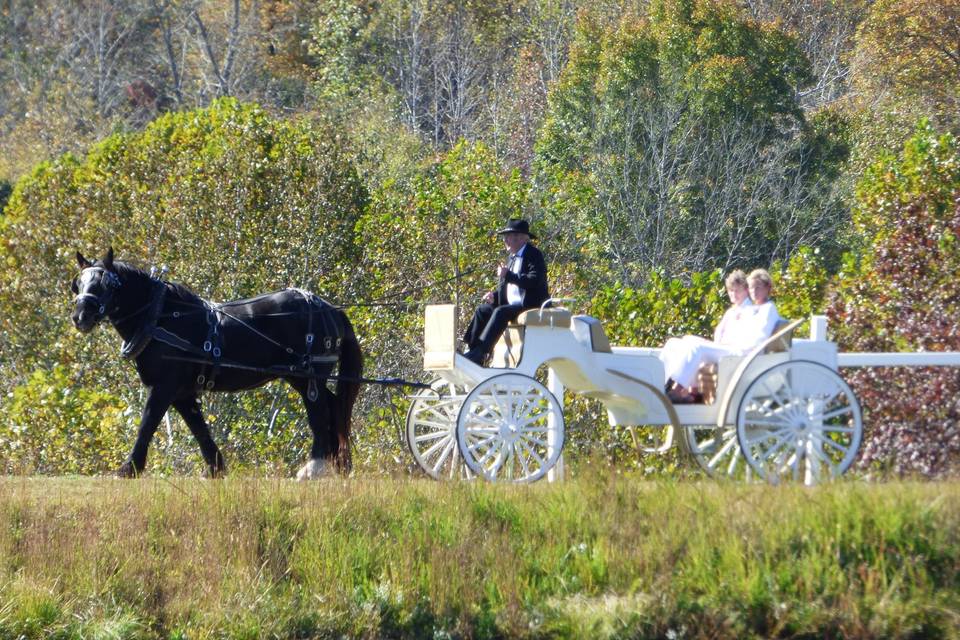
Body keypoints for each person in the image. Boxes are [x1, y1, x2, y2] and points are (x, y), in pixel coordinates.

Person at [660, 268, 780, 402]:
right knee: (676, 342)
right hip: (733, 348)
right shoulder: (755, 309)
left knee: (697, 348)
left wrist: (726, 343)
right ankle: (664, 384)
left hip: (743, 354)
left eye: (758, 288)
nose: (754, 292)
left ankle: (677, 390)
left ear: (767, 288)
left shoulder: (767, 309)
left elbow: (758, 339)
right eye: (752, 288)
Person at [462, 219, 550, 365]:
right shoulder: (511, 258)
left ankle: (482, 353)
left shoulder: (534, 255)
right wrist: (494, 296)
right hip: (512, 305)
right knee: (483, 310)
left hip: (530, 304)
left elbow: (534, 280)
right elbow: (510, 287)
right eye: (505, 237)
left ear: (522, 238)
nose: (506, 241)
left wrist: (507, 275)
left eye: (509, 237)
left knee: (501, 312)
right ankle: (472, 349)